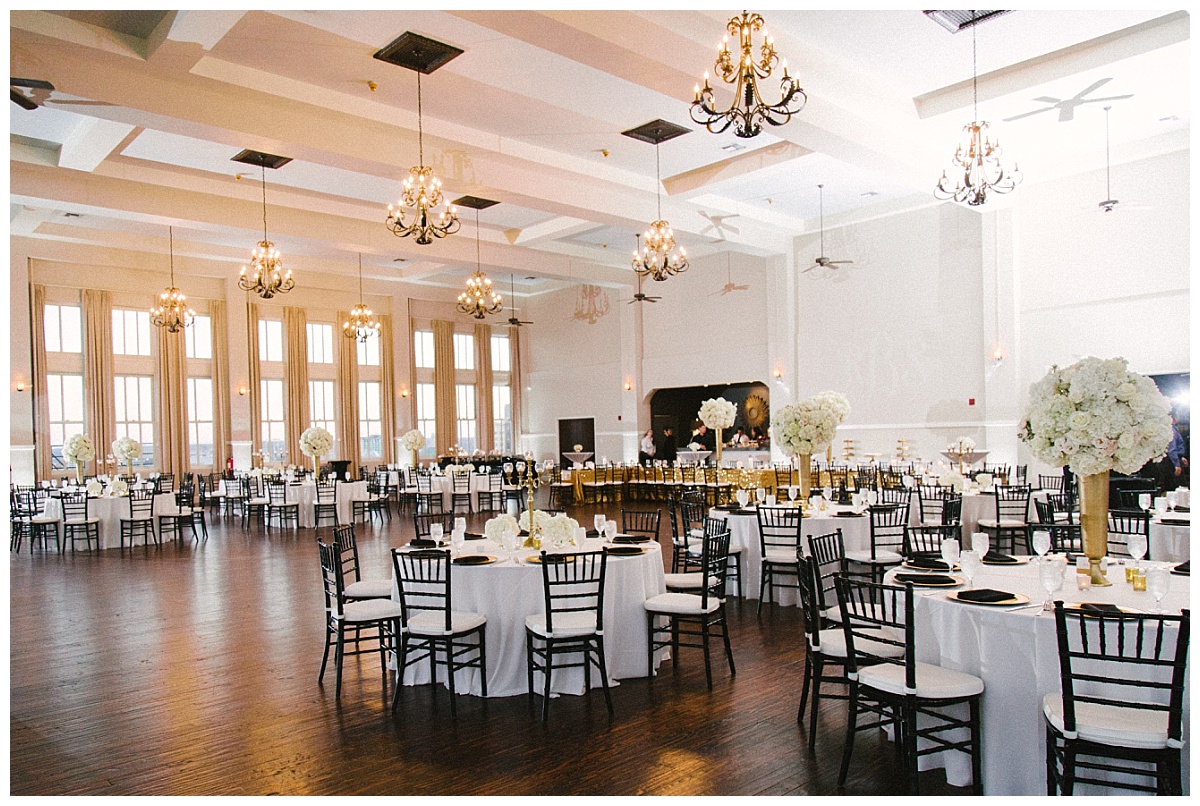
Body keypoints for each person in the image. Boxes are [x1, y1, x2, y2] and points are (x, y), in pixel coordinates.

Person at [1163, 412, 1189, 491]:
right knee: (1177, 486)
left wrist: (1181, 458)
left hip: (1176, 458)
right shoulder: (1171, 430)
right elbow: (1172, 448)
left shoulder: (1174, 428)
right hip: (1172, 461)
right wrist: (1176, 464)